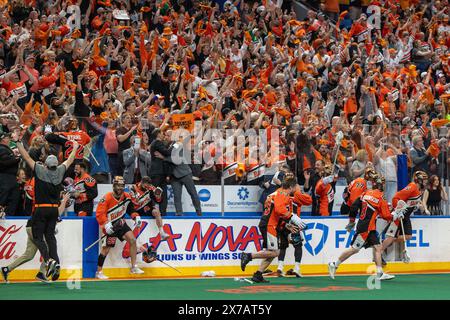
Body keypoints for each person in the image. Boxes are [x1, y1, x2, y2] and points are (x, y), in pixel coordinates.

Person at [15, 135, 79, 280]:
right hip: (53, 210)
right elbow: (70, 160)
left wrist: (19, 142)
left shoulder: (40, 170)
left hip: (41, 208)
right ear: (56, 164)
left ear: (46, 164)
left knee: (38, 237)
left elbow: (26, 156)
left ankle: (49, 260)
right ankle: (56, 262)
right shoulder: (61, 171)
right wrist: (75, 147)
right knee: (50, 237)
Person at [328, 174, 402, 281]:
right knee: (354, 249)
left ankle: (379, 273)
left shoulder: (365, 193)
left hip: (367, 227)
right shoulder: (381, 197)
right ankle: (334, 264)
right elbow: (386, 216)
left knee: (377, 247)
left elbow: (353, 206)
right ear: (382, 185)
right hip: (366, 228)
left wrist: (352, 221)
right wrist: (396, 214)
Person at [240, 175, 308, 283]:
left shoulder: (277, 192)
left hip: (269, 223)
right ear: (290, 187)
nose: (295, 190)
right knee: (275, 252)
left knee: (271, 252)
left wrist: (286, 225)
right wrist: (292, 217)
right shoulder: (282, 194)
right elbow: (279, 210)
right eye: (294, 187)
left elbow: (275, 212)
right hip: (269, 225)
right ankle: (248, 256)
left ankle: (258, 274)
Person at [1, 192, 71, 283]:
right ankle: (42, 273)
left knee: (29, 254)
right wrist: (64, 201)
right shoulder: (53, 203)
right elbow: (57, 213)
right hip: (35, 228)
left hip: (31, 227)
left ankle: (6, 269)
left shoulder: (51, 202)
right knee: (49, 249)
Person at [95, 176, 144, 280]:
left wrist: (136, 217)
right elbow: (100, 213)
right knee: (106, 249)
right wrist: (106, 224)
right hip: (110, 225)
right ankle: (99, 272)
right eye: (118, 185)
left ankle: (133, 267)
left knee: (132, 240)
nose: (120, 188)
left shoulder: (126, 197)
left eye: (122, 186)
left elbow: (131, 210)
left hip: (120, 224)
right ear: (114, 186)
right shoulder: (107, 197)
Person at [381, 171, 429, 264]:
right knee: (391, 237)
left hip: (406, 216)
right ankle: (380, 251)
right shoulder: (412, 187)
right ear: (419, 180)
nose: (426, 182)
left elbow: (411, 201)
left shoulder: (419, 190)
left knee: (408, 236)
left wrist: (417, 206)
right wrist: (398, 211)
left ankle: (387, 241)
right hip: (399, 215)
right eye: (424, 180)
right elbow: (396, 198)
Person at [155, 133, 202, 216]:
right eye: (166, 135)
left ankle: (199, 212)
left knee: (192, 193)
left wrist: (163, 158)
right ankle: (179, 213)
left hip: (185, 173)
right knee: (177, 196)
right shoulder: (165, 147)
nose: (166, 137)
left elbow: (177, 160)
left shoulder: (178, 144)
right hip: (174, 176)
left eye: (168, 135)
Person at [275, 185, 312, 277]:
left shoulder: (282, 194)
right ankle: (297, 268)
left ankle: (280, 267)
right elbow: (309, 201)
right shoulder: (297, 195)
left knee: (282, 246)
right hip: (294, 224)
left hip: (283, 223)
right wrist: (300, 192)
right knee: (298, 246)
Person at [0, 131, 20, 216]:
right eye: (7, 138)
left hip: (10, 177)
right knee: (4, 198)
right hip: (5, 177)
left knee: (13, 198)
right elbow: (5, 161)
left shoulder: (6, 149)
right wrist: (17, 158)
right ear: (3, 139)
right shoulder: (1, 148)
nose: (9, 139)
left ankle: (8, 217)